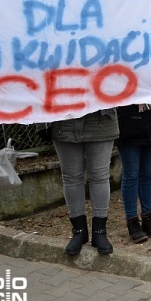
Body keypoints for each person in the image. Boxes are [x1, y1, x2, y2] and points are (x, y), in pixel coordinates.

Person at [49, 109, 119, 255]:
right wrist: (41, 124)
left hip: (101, 120)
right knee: (71, 177)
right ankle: (79, 231)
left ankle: (100, 231)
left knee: (100, 176)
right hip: (63, 121)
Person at [116, 104, 151, 243]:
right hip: (127, 123)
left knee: (148, 173)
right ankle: (132, 221)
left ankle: (148, 217)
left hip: (148, 122)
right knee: (131, 173)